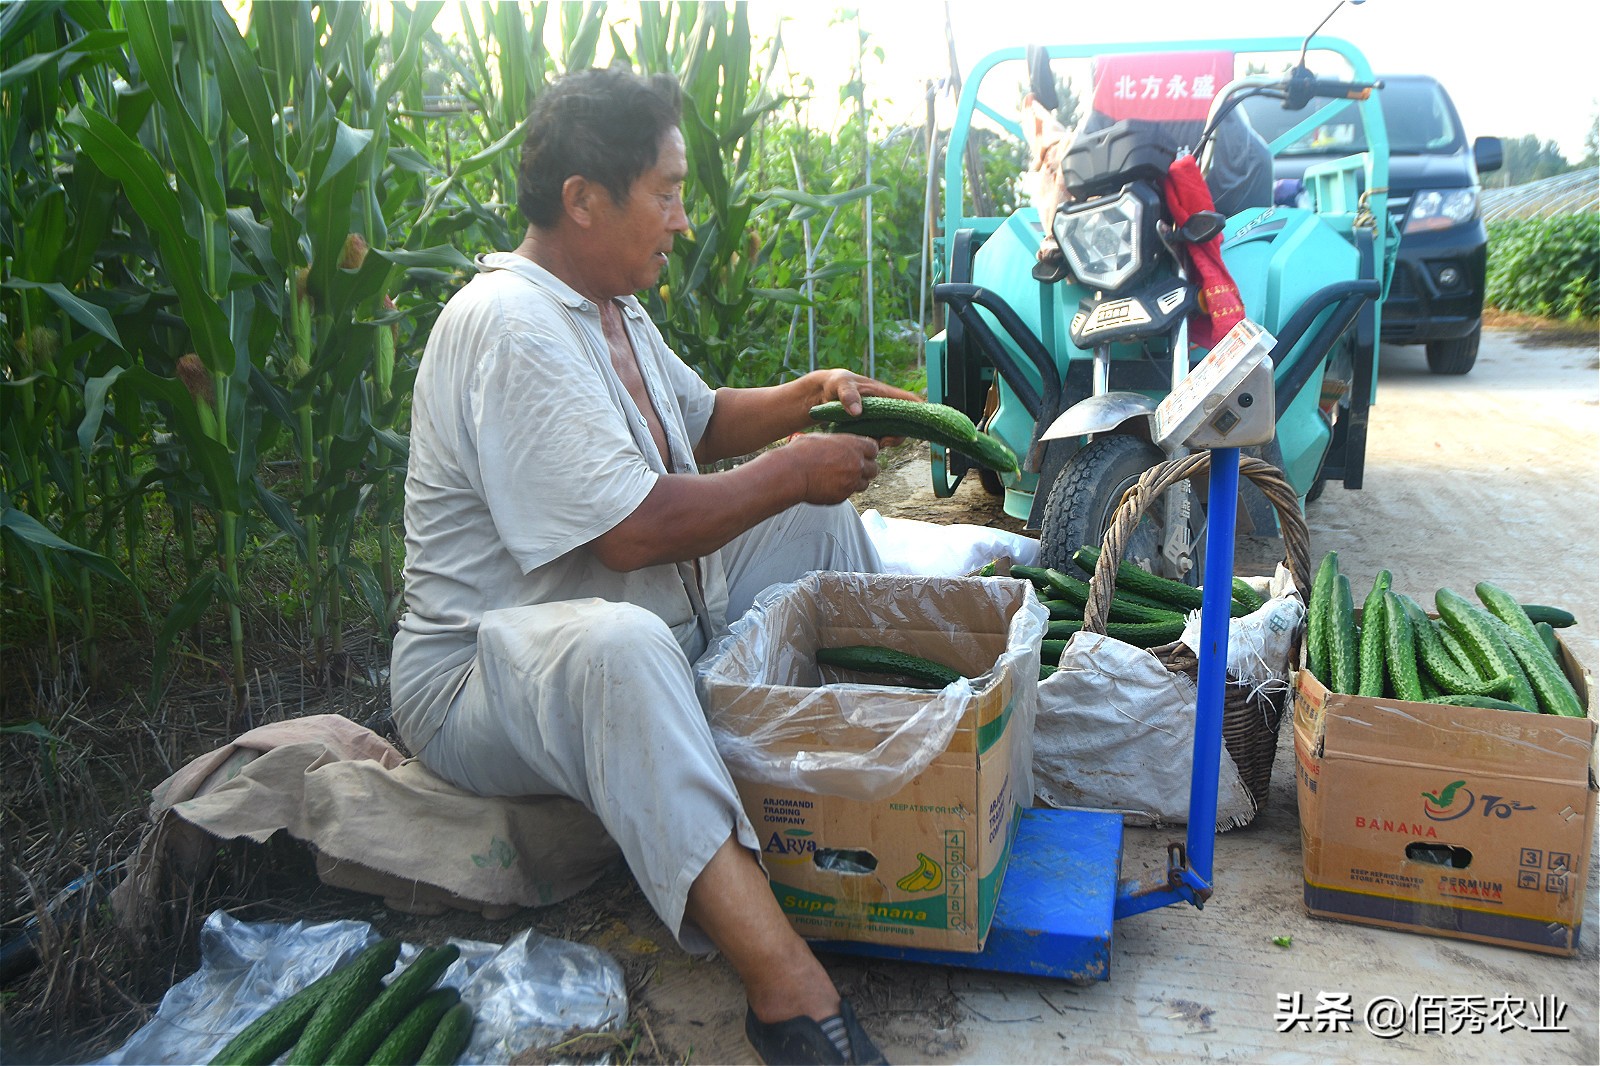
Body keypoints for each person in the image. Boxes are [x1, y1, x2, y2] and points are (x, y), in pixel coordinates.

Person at [390, 65, 918, 1065]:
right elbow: (632, 531)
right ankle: (787, 993)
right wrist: (790, 468)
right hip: (479, 679)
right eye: (665, 193)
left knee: (817, 529)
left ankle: (882, 777)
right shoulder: (510, 325)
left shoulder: (610, 305)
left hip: (618, 618)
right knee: (625, 649)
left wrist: (813, 396)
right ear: (583, 200)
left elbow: (702, 420)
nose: (681, 219)